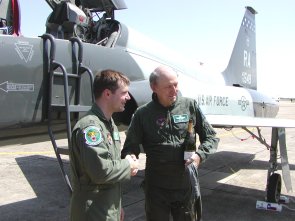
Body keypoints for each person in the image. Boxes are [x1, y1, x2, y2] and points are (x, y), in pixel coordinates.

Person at [121, 65, 219, 221]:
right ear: (154, 87)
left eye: (176, 85)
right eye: (168, 87)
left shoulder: (190, 106)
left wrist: (199, 156)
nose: (174, 91)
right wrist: (131, 158)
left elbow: (211, 137)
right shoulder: (142, 114)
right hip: (157, 190)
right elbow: (129, 148)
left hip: (185, 186)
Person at [69, 69, 139, 221]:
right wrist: (128, 164)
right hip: (93, 211)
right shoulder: (91, 128)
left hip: (107, 207)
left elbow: (110, 166)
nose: (128, 97)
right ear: (107, 94)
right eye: (124, 93)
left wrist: (117, 206)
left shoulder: (109, 124)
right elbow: (100, 172)